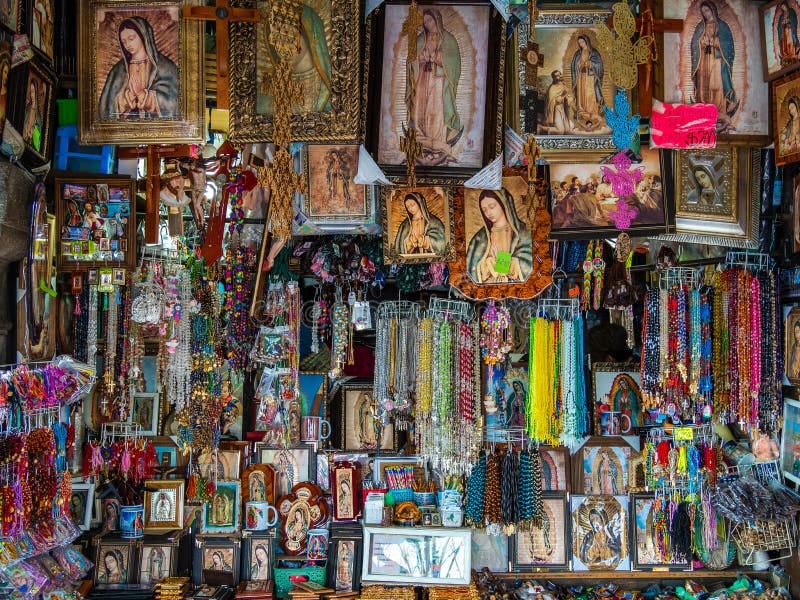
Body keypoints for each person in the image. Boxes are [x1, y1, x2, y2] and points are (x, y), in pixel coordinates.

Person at [407, 8, 463, 165]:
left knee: (436, 108)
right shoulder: (420, 39)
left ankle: (436, 139)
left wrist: (439, 58)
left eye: (430, 21)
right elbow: (411, 60)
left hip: (439, 80)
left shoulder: (448, 40)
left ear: (437, 19)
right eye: (425, 22)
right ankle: (419, 137)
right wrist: (420, 58)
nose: (427, 24)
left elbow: (454, 63)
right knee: (420, 106)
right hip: (422, 78)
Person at [99, 16, 179, 119]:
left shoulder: (165, 67)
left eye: (131, 38)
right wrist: (128, 97)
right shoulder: (118, 70)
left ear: (143, 36)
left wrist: (143, 96)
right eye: (124, 42)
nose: (127, 44)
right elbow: (107, 106)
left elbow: (173, 102)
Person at [263, 5, 331, 113]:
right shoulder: (268, 92)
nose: (283, 48)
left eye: (289, 37)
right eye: (276, 40)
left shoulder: (329, 92)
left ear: (310, 37)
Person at [466, 189, 533, 284]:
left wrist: (499, 262)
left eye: (492, 207)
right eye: (484, 210)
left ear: (503, 204)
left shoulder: (523, 232)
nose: (488, 213)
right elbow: (473, 269)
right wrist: (493, 263)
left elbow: (527, 263)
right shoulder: (480, 238)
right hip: (487, 290)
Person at [690, 1, 738, 125]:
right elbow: (694, 43)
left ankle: (718, 110)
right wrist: (701, 42)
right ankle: (704, 109)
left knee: (717, 85)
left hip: (716, 60)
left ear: (712, 10)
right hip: (704, 61)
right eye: (703, 12)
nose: (705, 14)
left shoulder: (723, 26)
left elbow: (729, 45)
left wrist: (716, 42)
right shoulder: (700, 27)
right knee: (704, 83)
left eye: (707, 10)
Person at [393, 191, 447, 256]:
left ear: (419, 203)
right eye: (407, 207)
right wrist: (409, 244)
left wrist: (425, 241)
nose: (410, 208)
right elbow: (399, 247)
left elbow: (441, 242)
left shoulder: (433, 221)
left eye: (412, 205)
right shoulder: (405, 224)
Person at [570, 35, 605, 129]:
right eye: (579, 43)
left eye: (582, 42)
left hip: (590, 77)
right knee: (581, 93)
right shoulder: (578, 53)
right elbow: (573, 65)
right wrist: (578, 65)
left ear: (586, 41)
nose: (581, 44)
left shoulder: (593, 52)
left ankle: (592, 111)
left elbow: (599, 65)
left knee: (590, 93)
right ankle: (582, 111)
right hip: (581, 76)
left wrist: (590, 64)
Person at [539, 70, 575, 134]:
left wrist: (569, 99)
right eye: (557, 76)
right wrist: (563, 95)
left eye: (560, 74)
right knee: (560, 131)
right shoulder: (552, 88)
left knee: (569, 130)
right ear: (554, 78)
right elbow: (554, 102)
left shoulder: (563, 86)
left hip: (564, 110)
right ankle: (541, 128)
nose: (559, 77)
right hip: (556, 110)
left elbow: (569, 97)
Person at [774, 1, 799, 66]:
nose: (783, 8)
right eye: (782, 7)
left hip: (790, 29)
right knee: (785, 43)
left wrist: (789, 21)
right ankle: (786, 55)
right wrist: (782, 23)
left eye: (784, 6)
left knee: (790, 41)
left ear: (786, 6)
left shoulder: (791, 11)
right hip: (784, 31)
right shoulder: (781, 16)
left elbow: (794, 19)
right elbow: (779, 26)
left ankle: (792, 54)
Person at [22, 78, 43, 151]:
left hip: (32, 145)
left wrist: (34, 129)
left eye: (33, 92)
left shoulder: (39, 110)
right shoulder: (28, 108)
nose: (32, 95)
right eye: (31, 92)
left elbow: (40, 129)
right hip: (23, 140)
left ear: (36, 92)